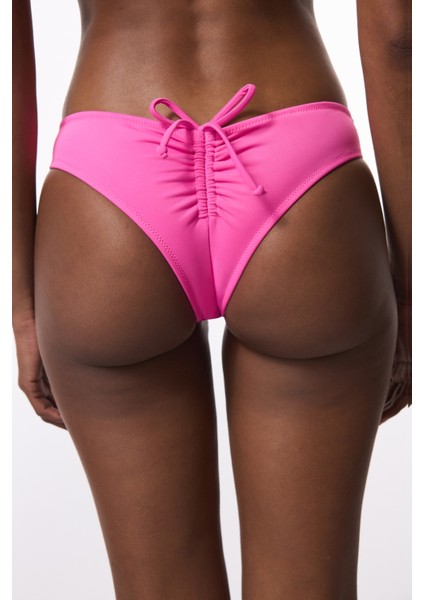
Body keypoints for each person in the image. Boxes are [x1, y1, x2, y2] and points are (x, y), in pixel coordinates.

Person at [12, 0, 411, 597]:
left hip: (109, 180)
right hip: (301, 175)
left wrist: (22, 306)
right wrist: (409, 288)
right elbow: (397, 38)